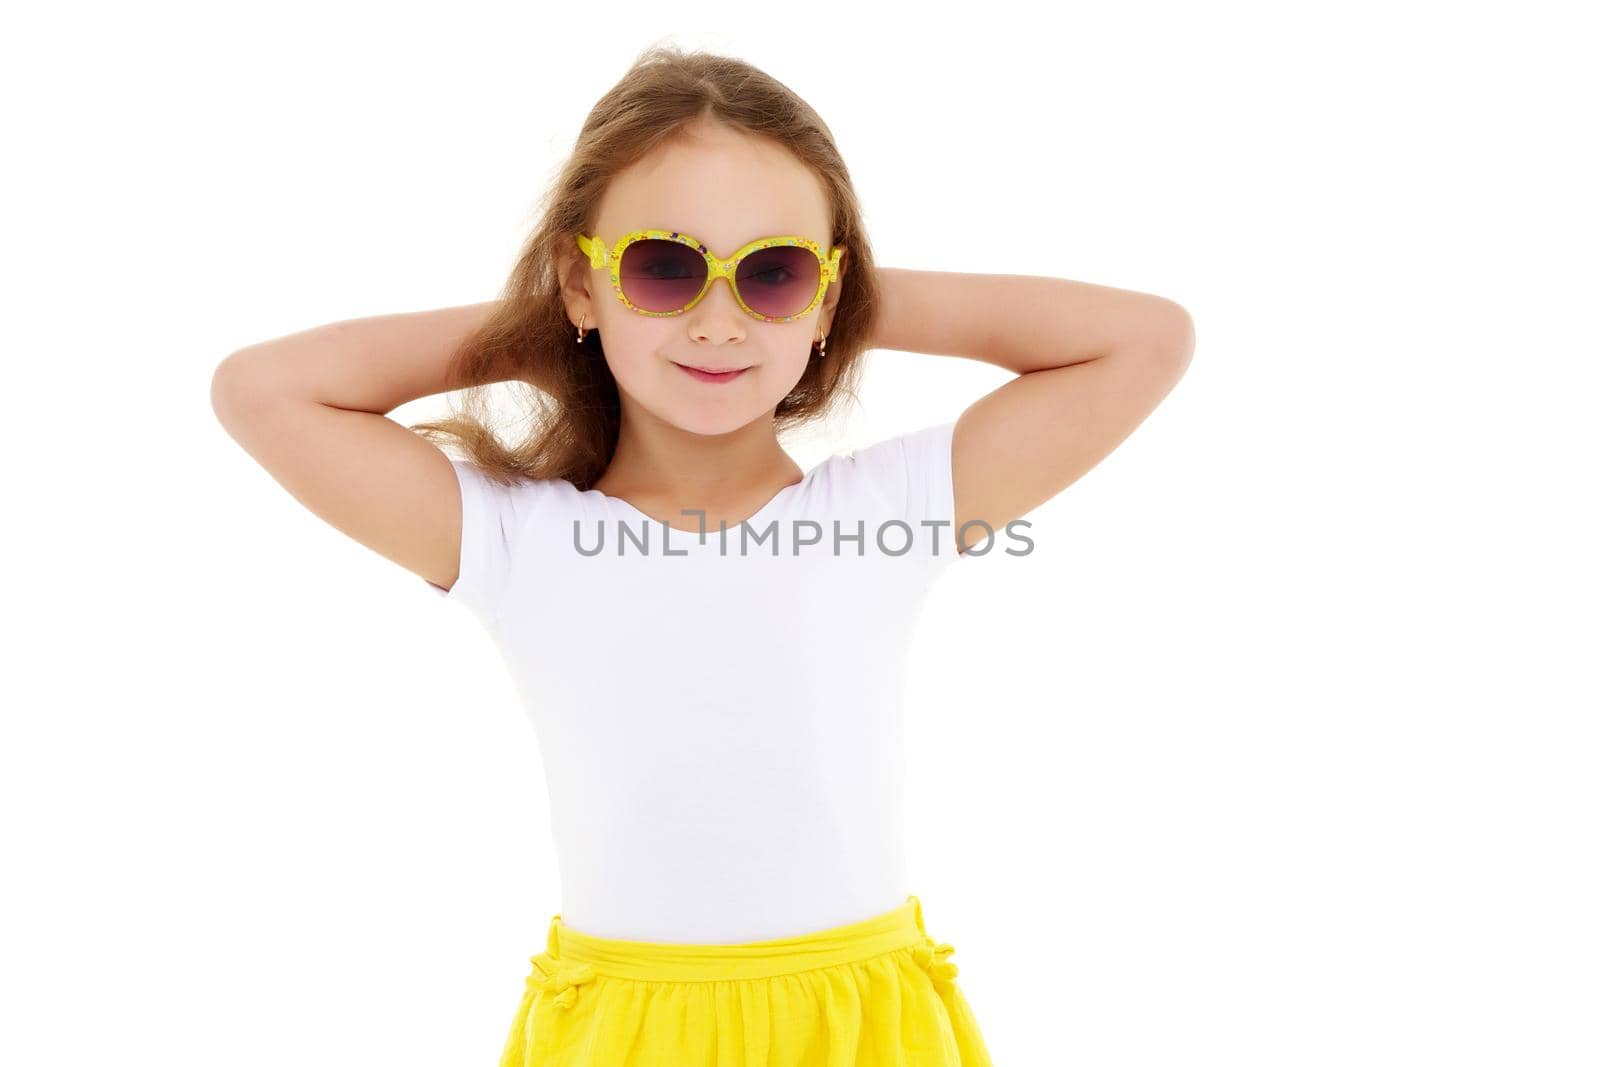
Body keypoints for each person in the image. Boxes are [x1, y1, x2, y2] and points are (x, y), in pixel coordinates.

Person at [211, 41, 1194, 1067]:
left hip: (857, 1023)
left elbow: (1146, 339)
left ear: (826, 298)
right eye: (663, 267)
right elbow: (262, 389)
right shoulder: (515, 538)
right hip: (625, 1028)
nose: (718, 323)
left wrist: (828, 297)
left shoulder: (889, 508)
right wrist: (553, 316)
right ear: (577, 282)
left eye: (770, 272)